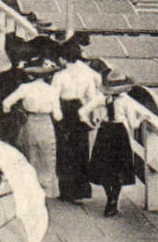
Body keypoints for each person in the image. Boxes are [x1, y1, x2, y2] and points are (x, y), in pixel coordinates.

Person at [0, 62, 61, 197]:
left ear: (30, 75)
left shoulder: (25, 88)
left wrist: (10, 113)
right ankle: (46, 189)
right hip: (46, 123)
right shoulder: (52, 90)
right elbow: (58, 115)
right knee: (47, 156)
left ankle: (30, 188)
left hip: (30, 122)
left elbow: (6, 103)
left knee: (30, 155)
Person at [50, 41, 101, 202]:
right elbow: (91, 97)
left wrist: (57, 117)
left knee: (64, 150)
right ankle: (80, 190)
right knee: (80, 150)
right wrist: (92, 114)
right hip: (80, 111)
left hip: (65, 111)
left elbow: (54, 98)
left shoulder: (59, 76)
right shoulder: (87, 75)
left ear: (64, 58)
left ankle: (66, 190)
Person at [85, 73, 141, 216]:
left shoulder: (102, 98)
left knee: (104, 166)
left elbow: (83, 111)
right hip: (120, 134)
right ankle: (114, 199)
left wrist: (91, 124)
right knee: (118, 167)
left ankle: (109, 197)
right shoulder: (127, 102)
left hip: (104, 132)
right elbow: (134, 125)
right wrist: (141, 118)